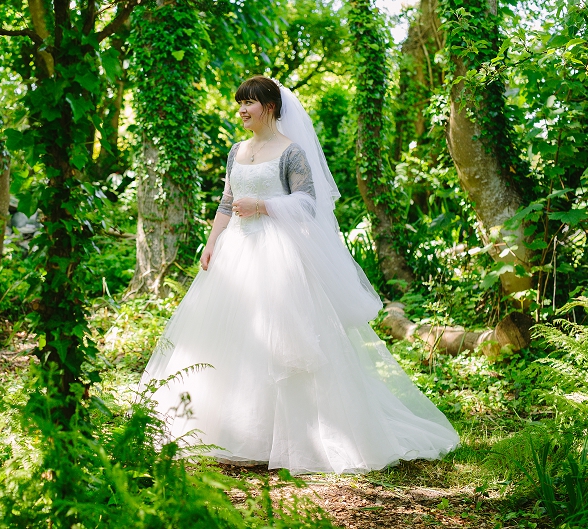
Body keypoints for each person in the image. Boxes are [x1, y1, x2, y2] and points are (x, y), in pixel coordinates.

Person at [139, 76, 459, 475]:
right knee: (231, 337)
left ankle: (290, 437)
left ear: (270, 107)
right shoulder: (236, 151)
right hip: (235, 254)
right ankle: (230, 430)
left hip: (278, 255)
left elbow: (307, 204)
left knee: (282, 341)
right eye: (239, 103)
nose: (241, 110)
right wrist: (211, 242)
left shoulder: (291, 152)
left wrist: (262, 205)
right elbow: (226, 201)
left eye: (248, 103)